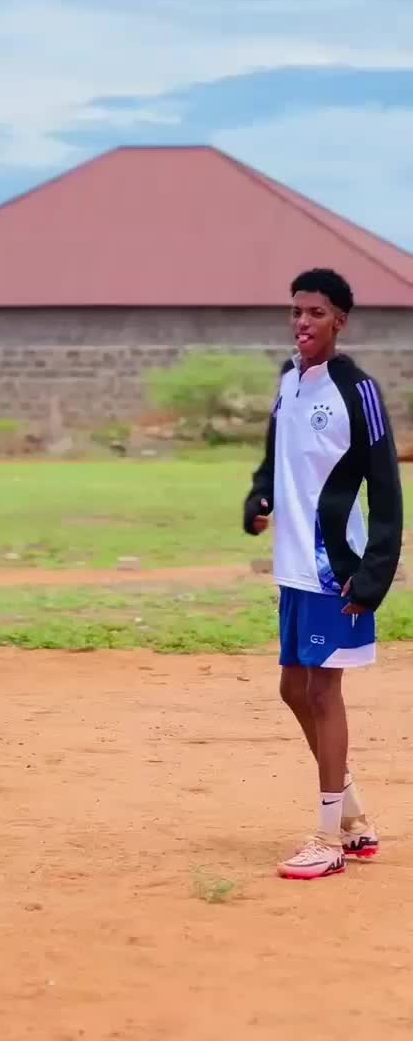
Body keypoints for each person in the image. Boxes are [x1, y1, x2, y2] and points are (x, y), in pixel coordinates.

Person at [244, 268, 403, 881]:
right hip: (292, 568)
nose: (302, 322)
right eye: (296, 311)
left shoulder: (357, 391)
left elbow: (386, 490)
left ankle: (329, 838)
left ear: (340, 320)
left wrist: (374, 574)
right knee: (293, 689)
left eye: (315, 312)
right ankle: (354, 818)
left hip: (334, 568)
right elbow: (275, 459)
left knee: (321, 692)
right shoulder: (290, 382)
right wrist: (260, 497)